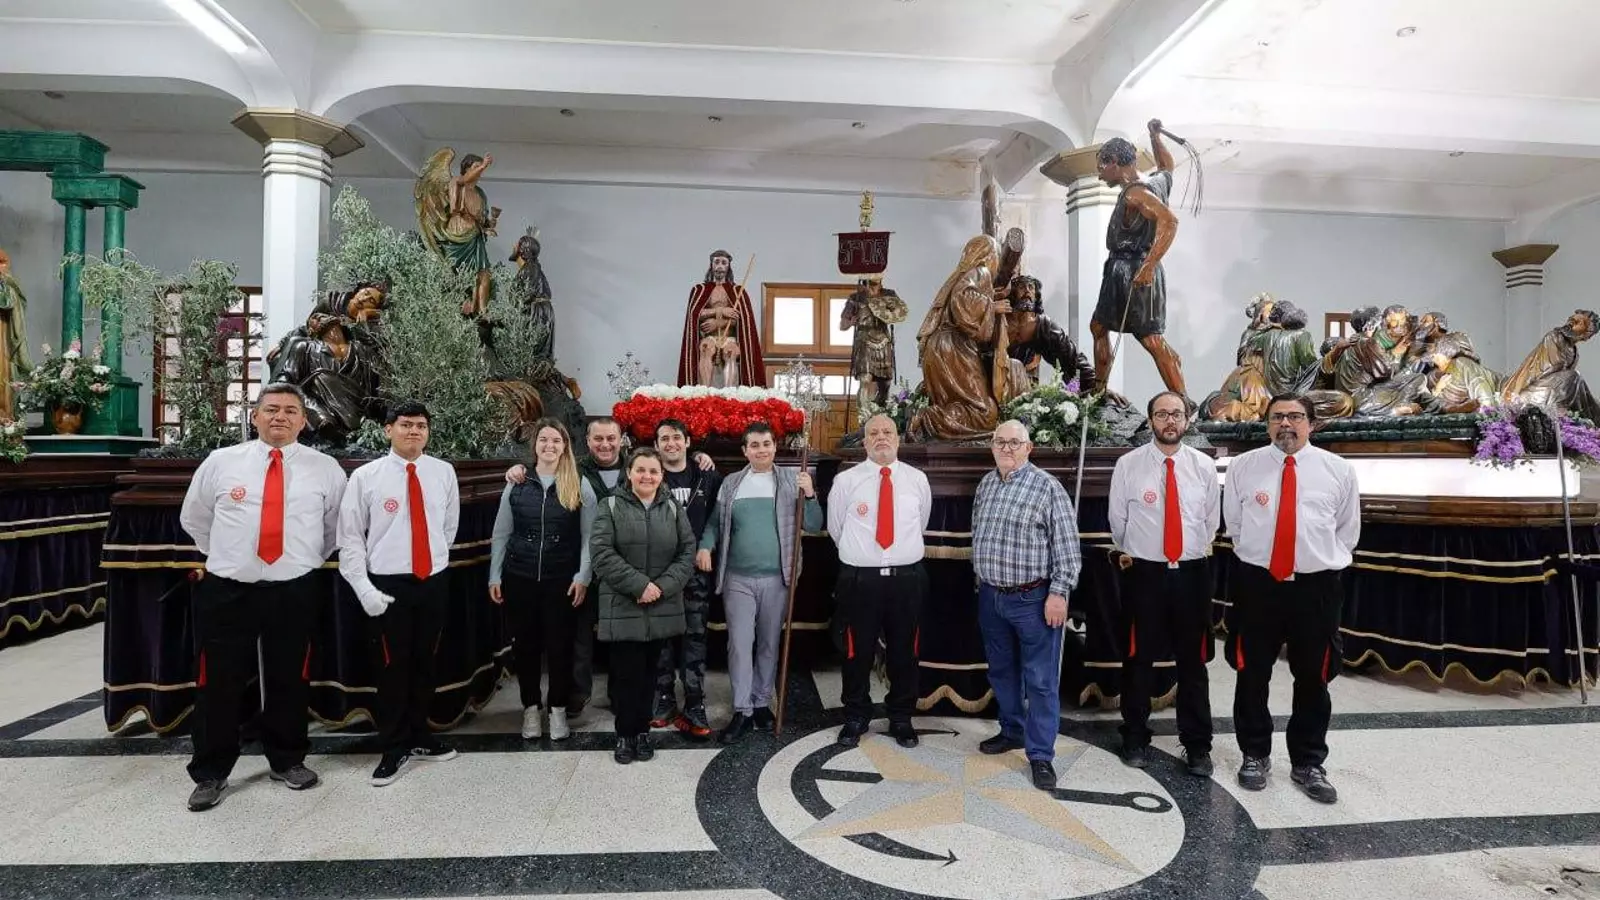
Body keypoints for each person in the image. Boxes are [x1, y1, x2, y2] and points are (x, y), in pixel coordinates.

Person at [177, 384, 348, 811]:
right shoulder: (221, 462)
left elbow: (333, 529)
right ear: (254, 417)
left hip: (294, 588)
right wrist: (231, 557)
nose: (280, 417)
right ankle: (211, 772)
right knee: (218, 681)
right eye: (271, 409)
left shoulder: (326, 469)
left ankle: (288, 760)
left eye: (290, 411)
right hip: (228, 589)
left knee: (290, 676)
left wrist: (301, 560)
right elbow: (195, 518)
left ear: (303, 421)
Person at [506, 416, 712, 715]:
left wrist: (700, 456)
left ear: (621, 440)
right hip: (585, 567)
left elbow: (672, 468)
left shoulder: (637, 466)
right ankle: (578, 694)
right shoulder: (574, 469)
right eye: (598, 438)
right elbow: (543, 467)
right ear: (587, 441)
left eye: (611, 438)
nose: (605, 444)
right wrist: (519, 469)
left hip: (629, 574)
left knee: (625, 640)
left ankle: (622, 696)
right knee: (580, 636)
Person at [1223, 393, 1360, 804]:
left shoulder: (1338, 470)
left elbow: (1347, 532)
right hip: (1258, 584)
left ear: (1311, 424)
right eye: (1277, 416)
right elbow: (1235, 525)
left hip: (1316, 587)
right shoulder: (1244, 467)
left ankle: (1308, 761)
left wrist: (1315, 561)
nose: (1286, 423)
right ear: (1267, 424)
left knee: (1314, 676)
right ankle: (1254, 753)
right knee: (1252, 673)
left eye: (1295, 416)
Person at [337, 401, 461, 786]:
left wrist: (431, 560)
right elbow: (350, 537)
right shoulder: (366, 477)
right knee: (392, 668)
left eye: (421, 425)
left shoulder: (443, 472)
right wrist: (364, 588)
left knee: (426, 662)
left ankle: (420, 735)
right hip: (387, 586)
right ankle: (393, 746)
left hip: (432, 581)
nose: (414, 432)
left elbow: (448, 527)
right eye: (406, 425)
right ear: (388, 429)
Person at [1108, 392, 1220, 776]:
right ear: (1151, 420)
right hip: (1145, 574)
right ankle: (1135, 735)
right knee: (1138, 658)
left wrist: (1184, 552)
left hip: (1191, 573)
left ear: (1187, 420)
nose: (1169, 420)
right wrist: (1143, 553)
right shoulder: (1128, 465)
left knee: (1193, 663)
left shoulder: (1204, 467)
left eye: (1176, 414)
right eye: (1161, 414)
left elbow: (1210, 522)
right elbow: (1118, 523)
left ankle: (1198, 745)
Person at [970, 420, 1079, 790]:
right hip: (992, 597)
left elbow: (1067, 548)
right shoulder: (986, 484)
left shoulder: (1048, 487)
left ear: (1029, 448)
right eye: (1000, 442)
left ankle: (1041, 754)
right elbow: (977, 534)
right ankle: (1012, 730)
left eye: (1014, 443)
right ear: (992, 446)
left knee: (1041, 680)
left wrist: (1058, 593)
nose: (1006, 448)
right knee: (1001, 672)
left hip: (1034, 599)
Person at [701, 422, 823, 744]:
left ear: (774, 446)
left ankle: (760, 703)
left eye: (766, 444)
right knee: (740, 644)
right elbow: (714, 523)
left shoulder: (791, 481)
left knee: (769, 643)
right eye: (754, 445)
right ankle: (742, 710)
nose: (761, 450)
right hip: (737, 579)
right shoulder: (731, 483)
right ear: (745, 451)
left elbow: (813, 525)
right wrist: (705, 546)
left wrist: (810, 494)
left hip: (778, 578)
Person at [827, 414, 931, 749]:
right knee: (856, 651)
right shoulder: (846, 481)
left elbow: (921, 523)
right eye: (874, 433)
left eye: (887, 432)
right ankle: (856, 715)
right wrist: (866, 558)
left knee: (905, 650)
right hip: (860, 580)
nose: (881, 437)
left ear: (898, 439)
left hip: (906, 579)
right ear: (865, 441)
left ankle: (901, 716)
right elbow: (836, 529)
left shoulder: (917, 480)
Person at [489, 418, 597, 742]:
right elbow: (501, 532)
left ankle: (558, 709)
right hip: (520, 577)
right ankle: (531, 708)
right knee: (526, 647)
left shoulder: (578, 483)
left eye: (556, 441)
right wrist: (495, 574)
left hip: (561, 579)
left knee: (560, 648)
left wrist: (583, 575)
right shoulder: (518, 481)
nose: (549, 446)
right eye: (544, 440)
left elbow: (589, 536)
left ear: (565, 447)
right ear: (535, 444)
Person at [591, 448, 696, 764]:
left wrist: (660, 587)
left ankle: (642, 732)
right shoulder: (610, 505)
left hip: (660, 605)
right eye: (641, 470)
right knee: (626, 676)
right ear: (629, 473)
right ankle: (625, 733)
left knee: (652, 675)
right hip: (624, 604)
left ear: (662, 476)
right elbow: (601, 553)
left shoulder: (673, 508)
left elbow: (687, 551)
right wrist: (640, 586)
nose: (647, 476)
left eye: (653, 471)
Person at [1090, 120, 1186, 399]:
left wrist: (1148, 266)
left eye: (1101, 167)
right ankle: (1099, 391)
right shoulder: (1155, 182)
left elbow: (1170, 221)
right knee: (1099, 326)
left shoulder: (1136, 193)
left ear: (1114, 162)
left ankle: (1182, 399)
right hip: (1126, 268)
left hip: (1131, 269)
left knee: (1151, 338)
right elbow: (1167, 166)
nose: (1099, 175)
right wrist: (1155, 137)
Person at [650, 418, 722, 739]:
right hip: (660, 572)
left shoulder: (707, 475)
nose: (671, 443)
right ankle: (664, 698)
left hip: (695, 572)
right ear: (656, 446)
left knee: (695, 637)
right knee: (662, 637)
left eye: (677, 437)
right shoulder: (649, 473)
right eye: (664, 439)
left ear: (688, 442)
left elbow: (719, 517)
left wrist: (707, 546)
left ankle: (694, 701)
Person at [909, 234, 1009, 440]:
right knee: (985, 414)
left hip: (938, 346)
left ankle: (926, 418)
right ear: (987, 255)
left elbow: (966, 296)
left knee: (955, 403)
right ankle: (927, 417)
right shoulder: (980, 271)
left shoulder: (963, 275)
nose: (997, 263)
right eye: (996, 256)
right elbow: (962, 300)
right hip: (953, 347)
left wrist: (992, 297)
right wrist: (992, 307)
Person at [676, 249, 766, 387]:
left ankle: (729, 392)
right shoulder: (700, 290)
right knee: (706, 349)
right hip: (709, 336)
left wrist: (719, 323)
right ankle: (704, 392)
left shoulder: (737, 291)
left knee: (731, 353)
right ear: (711, 265)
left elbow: (742, 319)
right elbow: (695, 313)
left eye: (724, 263)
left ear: (728, 267)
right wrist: (721, 310)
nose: (720, 266)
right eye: (716, 262)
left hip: (729, 337)